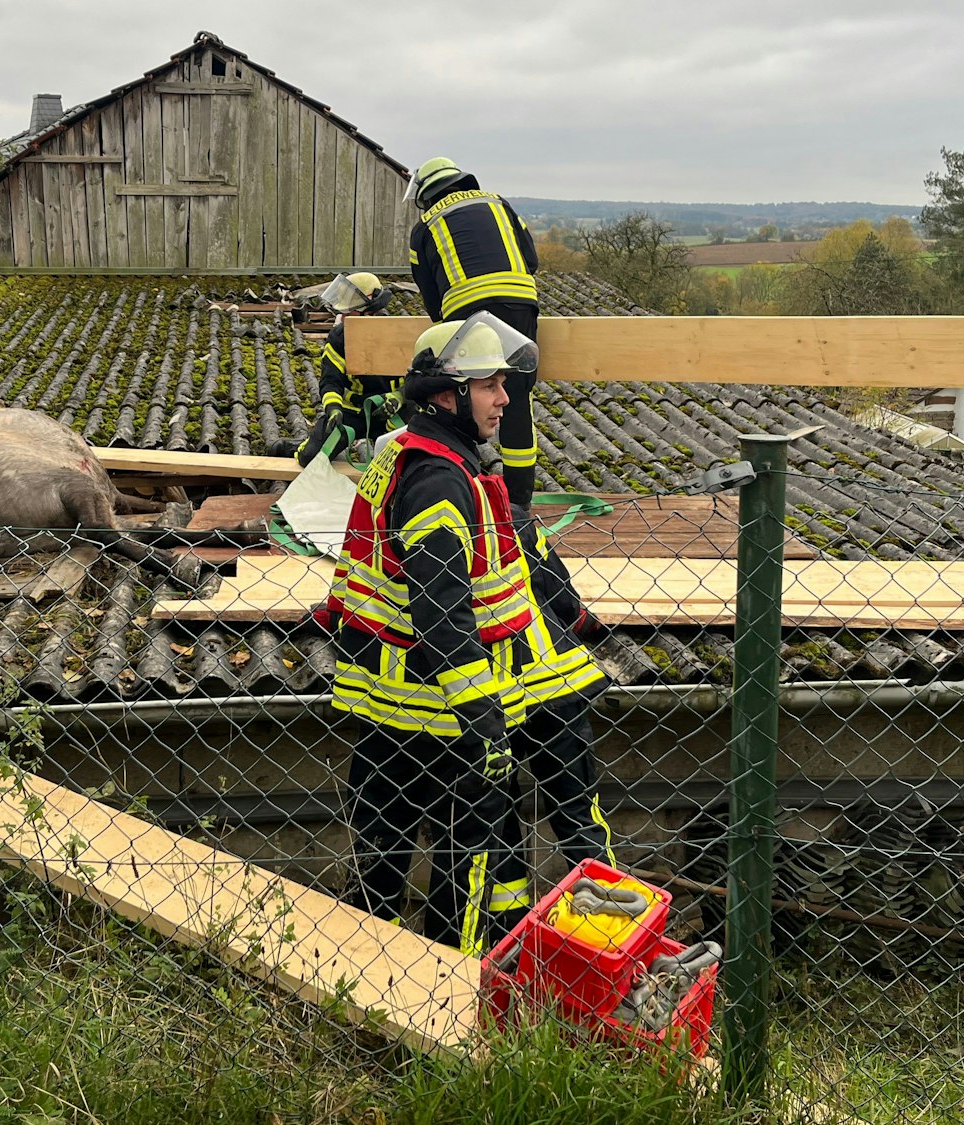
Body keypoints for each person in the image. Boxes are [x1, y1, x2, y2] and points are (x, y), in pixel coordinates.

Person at [324, 314, 536, 955]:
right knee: (465, 877)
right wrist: (483, 717)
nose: (504, 399)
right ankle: (450, 999)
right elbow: (441, 607)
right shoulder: (439, 480)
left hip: (388, 711)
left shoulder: (402, 451)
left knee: (379, 879)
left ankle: (368, 993)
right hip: (445, 721)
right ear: (448, 394)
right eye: (490, 385)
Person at [477, 519, 617, 934]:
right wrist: (581, 622)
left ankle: (511, 941)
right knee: (579, 814)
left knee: (498, 822)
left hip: (490, 704)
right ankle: (610, 933)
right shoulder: (506, 509)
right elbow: (561, 595)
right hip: (555, 689)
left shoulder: (419, 517)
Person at [405, 158, 543, 505]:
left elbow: (429, 294)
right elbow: (532, 258)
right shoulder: (498, 203)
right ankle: (519, 500)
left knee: (463, 393)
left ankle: (464, 483)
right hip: (520, 303)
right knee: (514, 395)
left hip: (466, 313)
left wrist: (445, 326)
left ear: (425, 194)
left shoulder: (424, 226)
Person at [298, 272, 395, 466]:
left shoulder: (398, 333)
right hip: (352, 412)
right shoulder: (339, 338)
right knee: (310, 457)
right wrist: (334, 409)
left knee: (406, 462)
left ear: (370, 306)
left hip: (392, 411)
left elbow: (416, 379)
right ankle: (292, 446)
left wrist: (400, 396)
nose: (343, 314)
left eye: (351, 304)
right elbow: (331, 380)